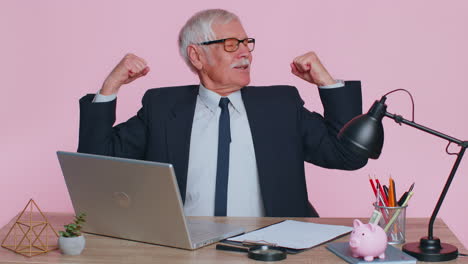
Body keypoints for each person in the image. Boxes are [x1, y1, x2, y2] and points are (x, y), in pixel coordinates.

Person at [78, 9, 367, 218]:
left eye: (246, 43)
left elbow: (349, 155)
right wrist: (110, 86)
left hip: (273, 248)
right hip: (185, 250)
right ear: (196, 56)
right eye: (231, 45)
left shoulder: (281, 104)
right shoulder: (162, 107)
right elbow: (94, 165)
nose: (245, 53)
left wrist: (327, 83)